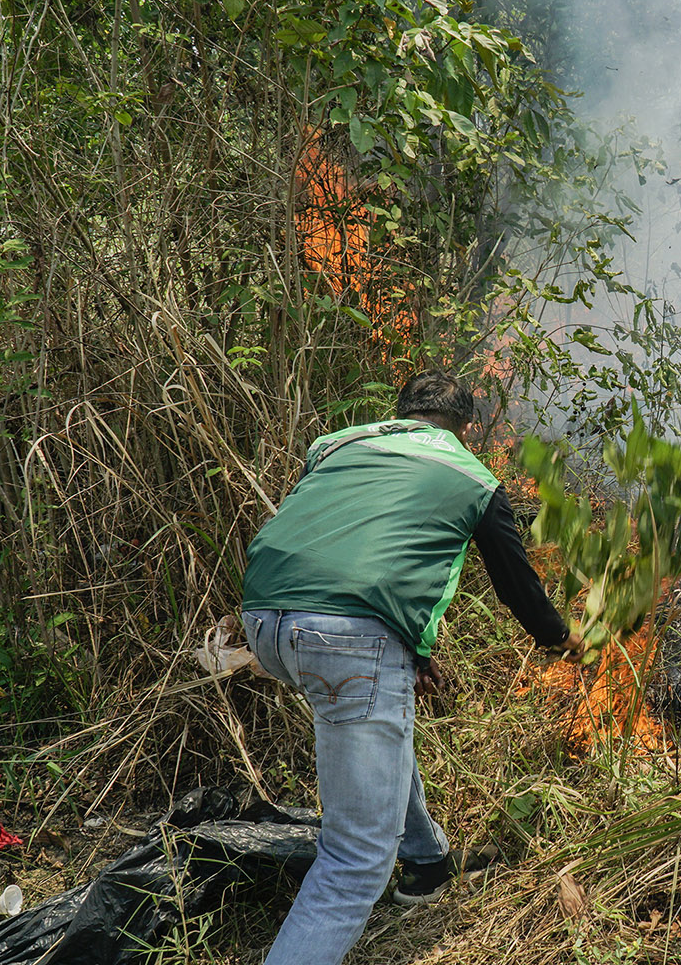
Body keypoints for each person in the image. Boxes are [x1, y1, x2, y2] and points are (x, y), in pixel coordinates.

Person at [239, 370, 581, 965]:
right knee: (355, 861)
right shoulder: (474, 477)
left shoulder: (339, 443)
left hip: (265, 619)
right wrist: (562, 637)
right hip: (348, 637)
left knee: (376, 718)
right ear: (466, 428)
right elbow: (517, 589)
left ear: (397, 412)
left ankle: (427, 865)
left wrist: (405, 653)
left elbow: (355, 544)